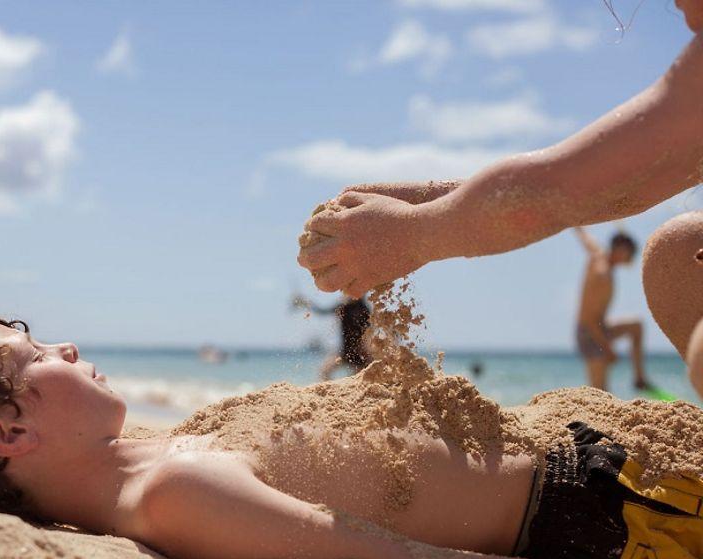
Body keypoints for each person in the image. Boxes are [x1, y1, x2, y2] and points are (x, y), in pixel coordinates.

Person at [0, 297, 703, 559]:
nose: (62, 350)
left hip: (588, 461)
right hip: (612, 514)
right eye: (38, 357)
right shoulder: (172, 495)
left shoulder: (149, 455)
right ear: (11, 433)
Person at [297, 2, 703, 396]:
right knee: (677, 251)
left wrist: (410, 233)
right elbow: (611, 188)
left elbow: (556, 191)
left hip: (592, 332)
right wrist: (421, 203)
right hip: (591, 330)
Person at [573, 228, 650, 392]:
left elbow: (585, 237)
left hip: (600, 327)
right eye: (630, 253)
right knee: (600, 393)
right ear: (621, 250)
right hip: (590, 335)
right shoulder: (603, 276)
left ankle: (639, 378)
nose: (631, 259)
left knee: (636, 326)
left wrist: (576, 224)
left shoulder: (599, 253)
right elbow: (589, 320)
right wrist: (608, 349)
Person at [293, 293, 372, 379]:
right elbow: (322, 311)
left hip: (360, 353)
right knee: (324, 372)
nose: (345, 294)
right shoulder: (344, 306)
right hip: (344, 352)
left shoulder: (363, 310)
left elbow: (369, 332)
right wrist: (306, 303)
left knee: (358, 379)